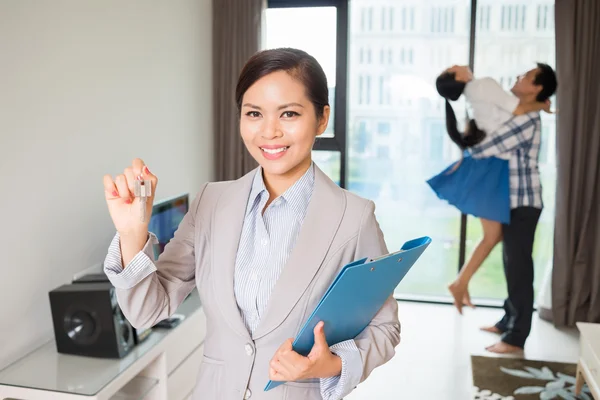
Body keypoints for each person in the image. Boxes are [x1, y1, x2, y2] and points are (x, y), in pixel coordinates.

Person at [101, 48, 400, 400]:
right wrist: (132, 233)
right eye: (254, 113)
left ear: (322, 119)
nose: (269, 132)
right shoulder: (211, 201)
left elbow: (385, 328)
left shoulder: (353, 217)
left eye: (289, 113)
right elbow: (146, 311)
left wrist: (330, 364)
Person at [436, 64, 557, 354]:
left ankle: (516, 338)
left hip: (523, 201)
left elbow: (487, 147)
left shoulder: (528, 119)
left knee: (519, 268)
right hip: (512, 200)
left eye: (526, 77)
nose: (518, 76)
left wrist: (469, 150)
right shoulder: (521, 113)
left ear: (537, 88)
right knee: (510, 263)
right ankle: (507, 320)